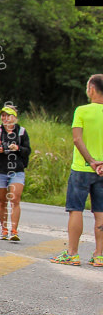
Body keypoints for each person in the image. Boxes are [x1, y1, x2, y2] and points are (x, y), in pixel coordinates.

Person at [51, 74, 103, 266]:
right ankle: (99, 255)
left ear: (91, 89)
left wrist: (91, 161)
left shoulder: (82, 110)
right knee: (100, 211)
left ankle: (72, 253)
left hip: (82, 168)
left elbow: (77, 139)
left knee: (76, 210)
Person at [0, 105, 31, 241]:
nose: (5, 118)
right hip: (0, 169)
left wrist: (17, 148)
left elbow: (28, 150)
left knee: (15, 199)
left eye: (8, 115)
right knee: (2, 201)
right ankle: (4, 229)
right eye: (3, 115)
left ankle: (14, 231)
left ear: (15, 117)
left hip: (17, 169)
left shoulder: (22, 132)